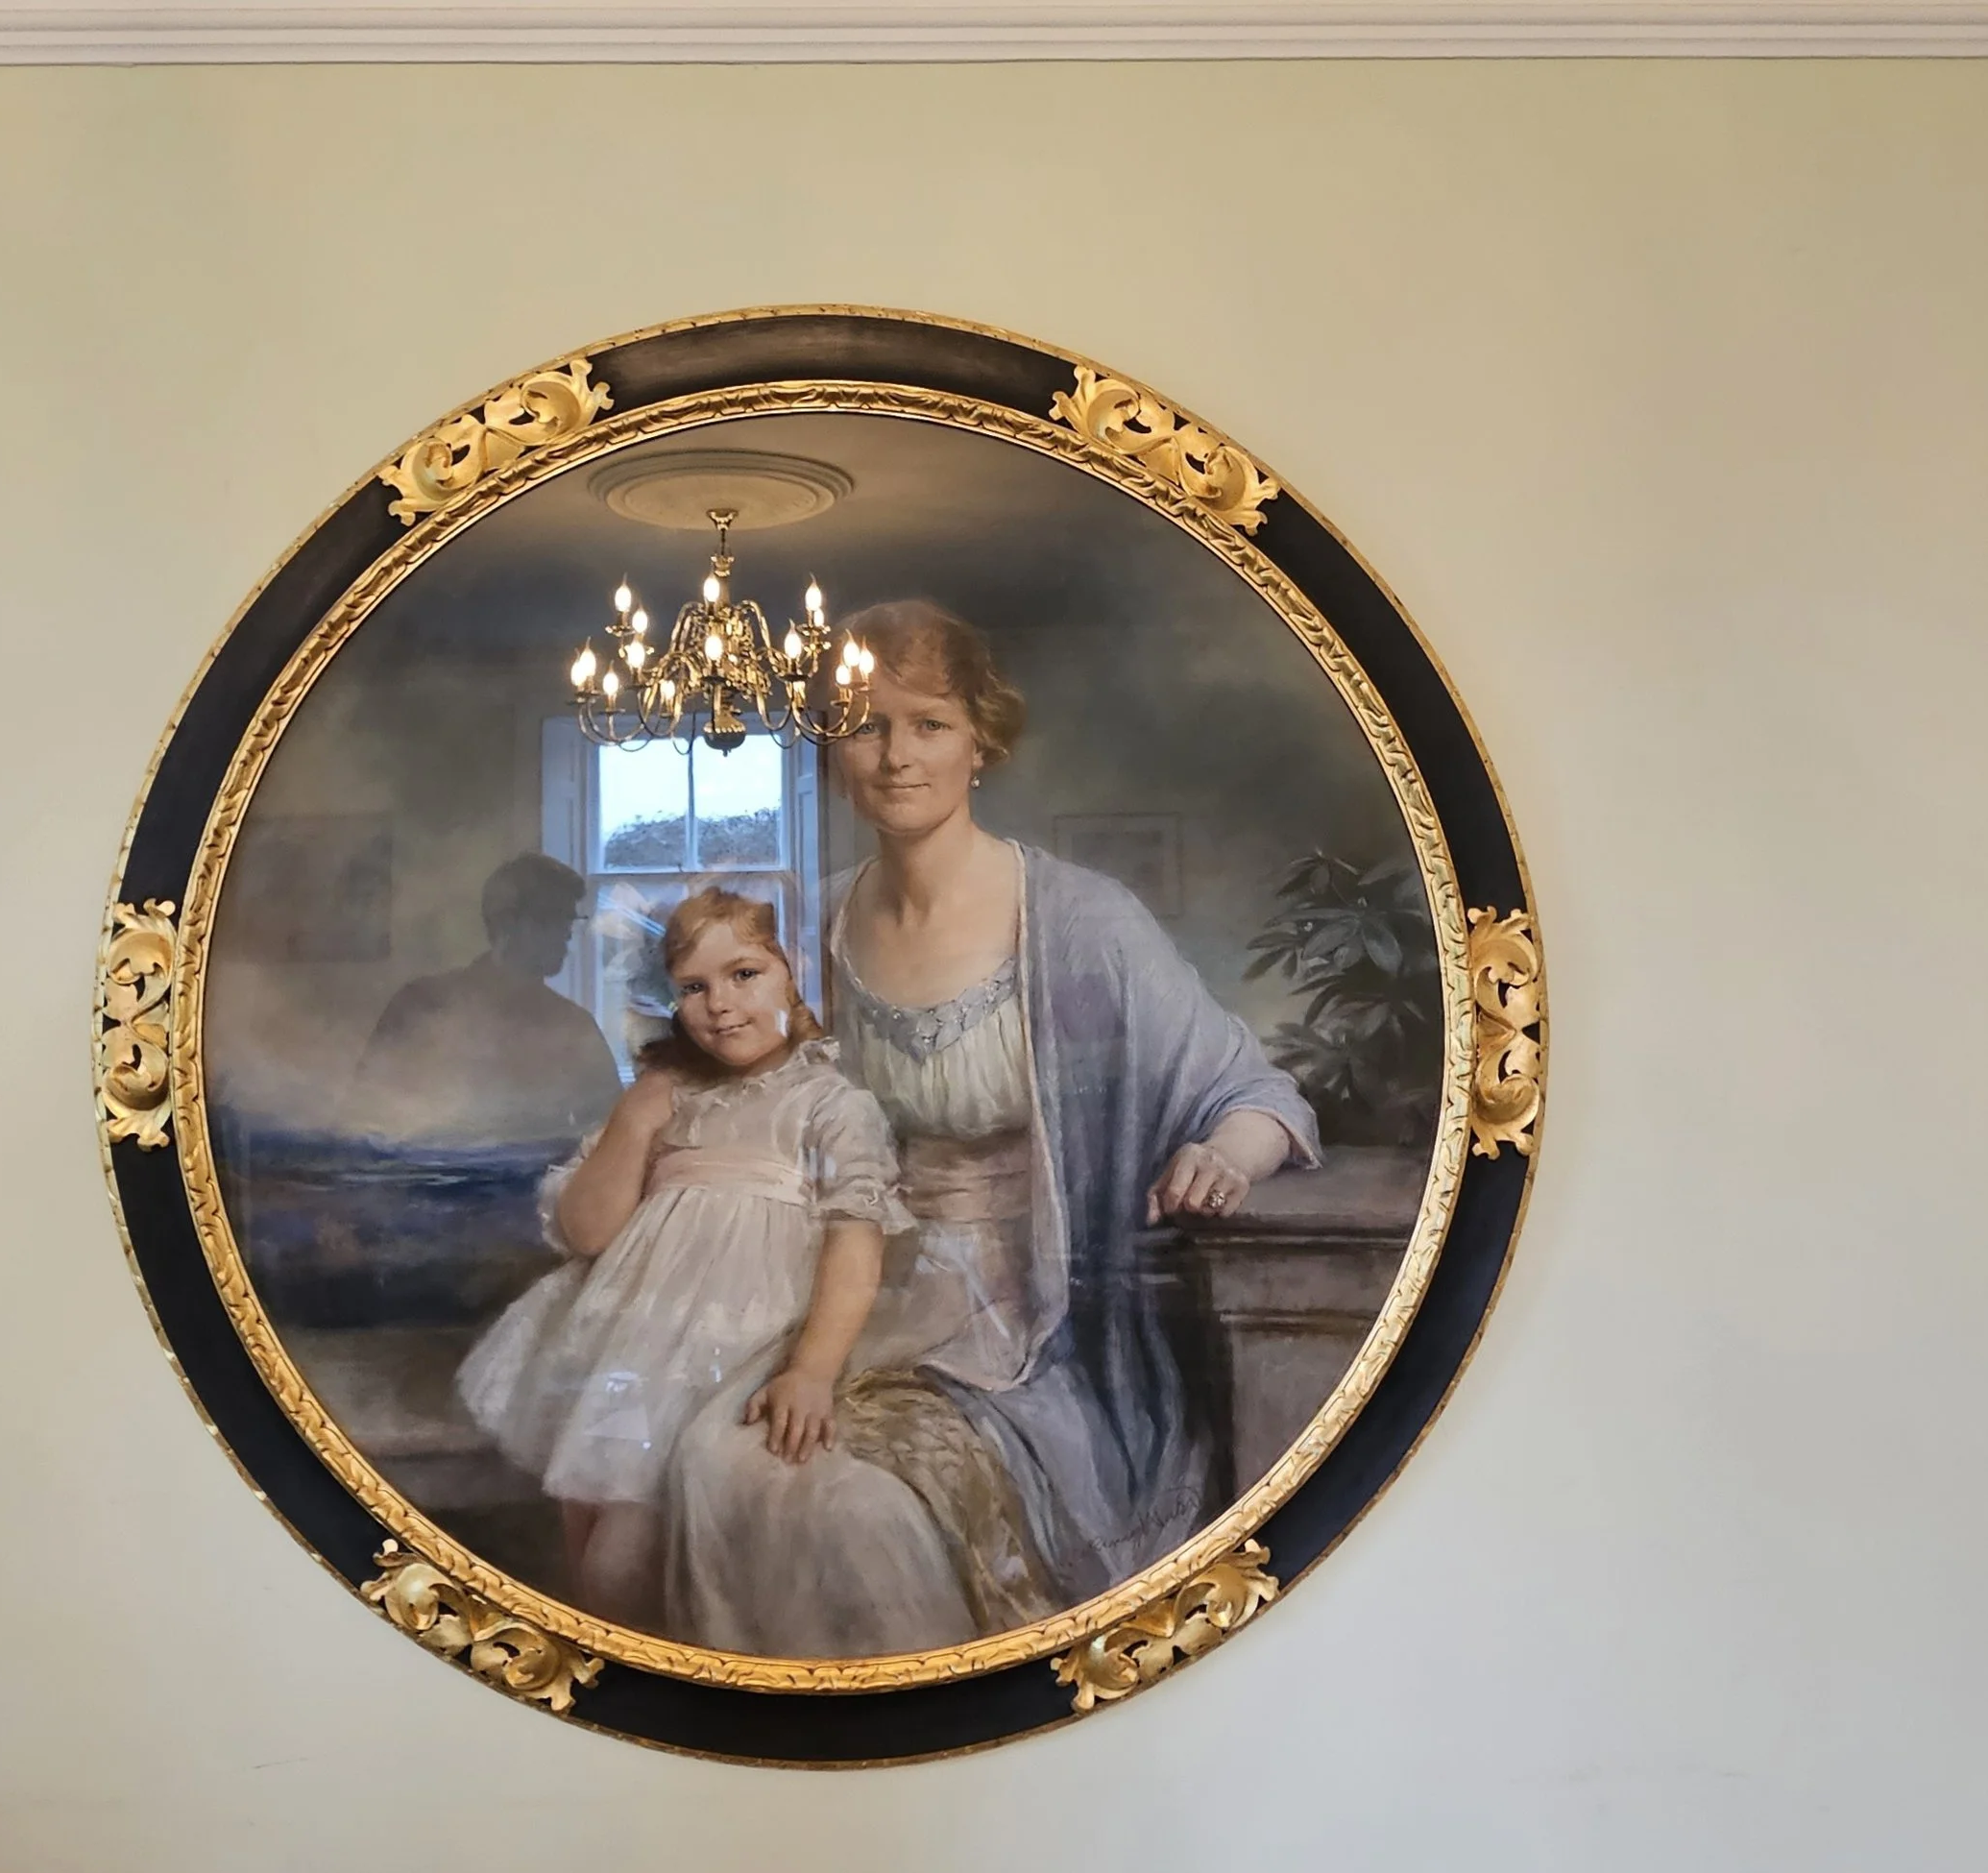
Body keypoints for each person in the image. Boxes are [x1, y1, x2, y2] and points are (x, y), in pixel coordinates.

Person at [667, 601, 1321, 1659]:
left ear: (981, 740)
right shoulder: (809, 926)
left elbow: (1256, 1094)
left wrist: (1222, 1152)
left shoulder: (1080, 921)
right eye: (866, 725)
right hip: (841, 1298)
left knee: (854, 1508)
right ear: (833, 747)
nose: (896, 756)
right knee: (710, 1464)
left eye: (929, 723)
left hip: (1030, 1325)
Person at [454, 888, 908, 1633]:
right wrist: (634, 1124)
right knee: (586, 1537)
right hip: (625, 1339)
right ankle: (612, 1668)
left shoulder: (828, 1105)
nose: (719, 1005)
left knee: (625, 1561)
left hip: (739, 1342)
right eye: (693, 987)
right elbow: (588, 1230)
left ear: (794, 972)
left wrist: (811, 1371)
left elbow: (856, 1240)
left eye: (744, 975)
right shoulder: (669, 1098)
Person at [348, 853, 619, 1144]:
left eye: (570, 920)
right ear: (507, 922)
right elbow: (363, 1115)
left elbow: (615, 1132)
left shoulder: (573, 1026)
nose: (567, 933)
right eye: (553, 918)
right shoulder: (420, 1006)